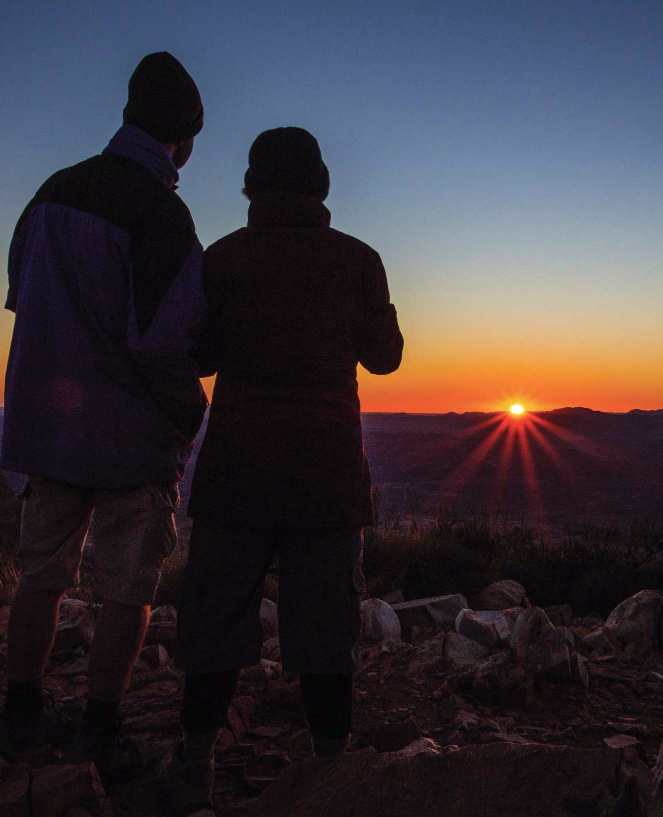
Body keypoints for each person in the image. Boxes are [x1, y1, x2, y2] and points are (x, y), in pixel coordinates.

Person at [163, 127, 404, 816]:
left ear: (251, 184)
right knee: (325, 627)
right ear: (320, 183)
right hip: (327, 474)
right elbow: (385, 357)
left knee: (215, 621)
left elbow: (199, 355)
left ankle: (196, 764)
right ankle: (329, 771)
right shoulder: (357, 260)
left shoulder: (224, 258)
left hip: (236, 470)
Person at [0, 52, 208, 773]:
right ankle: (99, 726)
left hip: (49, 425)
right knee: (127, 587)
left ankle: (19, 714)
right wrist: (188, 411)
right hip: (131, 436)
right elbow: (165, 340)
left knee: (40, 575)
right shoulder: (163, 214)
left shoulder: (51, 193)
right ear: (183, 139)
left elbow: (19, 294)